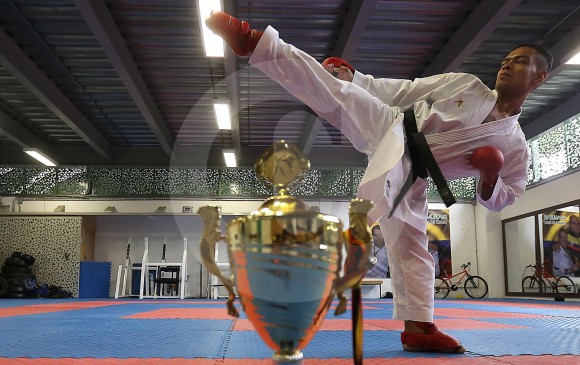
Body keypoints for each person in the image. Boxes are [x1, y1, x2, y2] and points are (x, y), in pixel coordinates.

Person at [205, 11, 551, 354]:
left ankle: (419, 328)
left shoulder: (515, 144)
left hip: (415, 173)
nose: (507, 65)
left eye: (520, 62)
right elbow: (409, 90)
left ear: (539, 77)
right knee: (338, 93)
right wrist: (357, 79)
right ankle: (255, 43)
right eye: (506, 60)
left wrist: (490, 177)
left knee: (414, 247)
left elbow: (507, 196)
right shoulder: (469, 86)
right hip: (394, 126)